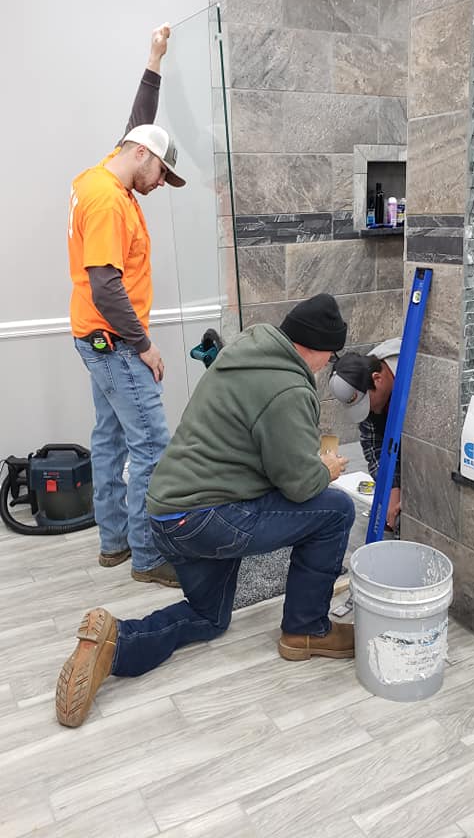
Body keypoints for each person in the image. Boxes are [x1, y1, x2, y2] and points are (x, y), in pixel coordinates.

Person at [56, 294, 357, 728]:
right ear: (319, 348)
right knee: (335, 510)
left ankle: (114, 643)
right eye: (332, 355)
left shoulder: (244, 351)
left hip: (165, 513)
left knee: (208, 618)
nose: (329, 363)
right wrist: (324, 470)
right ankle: (306, 630)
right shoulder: (288, 388)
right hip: (207, 517)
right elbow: (299, 484)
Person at [67, 24, 185, 586]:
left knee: (110, 439)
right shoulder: (109, 203)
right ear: (141, 156)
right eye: (162, 170)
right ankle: (148, 555)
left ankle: (113, 543)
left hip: (93, 338)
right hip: (115, 341)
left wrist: (154, 60)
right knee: (152, 445)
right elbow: (104, 285)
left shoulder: (103, 176)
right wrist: (145, 345)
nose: (161, 183)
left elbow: (140, 123)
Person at [330, 338, 401, 531]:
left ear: (378, 379)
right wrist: (391, 488)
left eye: (366, 403)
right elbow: (374, 449)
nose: (366, 410)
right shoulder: (362, 380)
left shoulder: (414, 375)